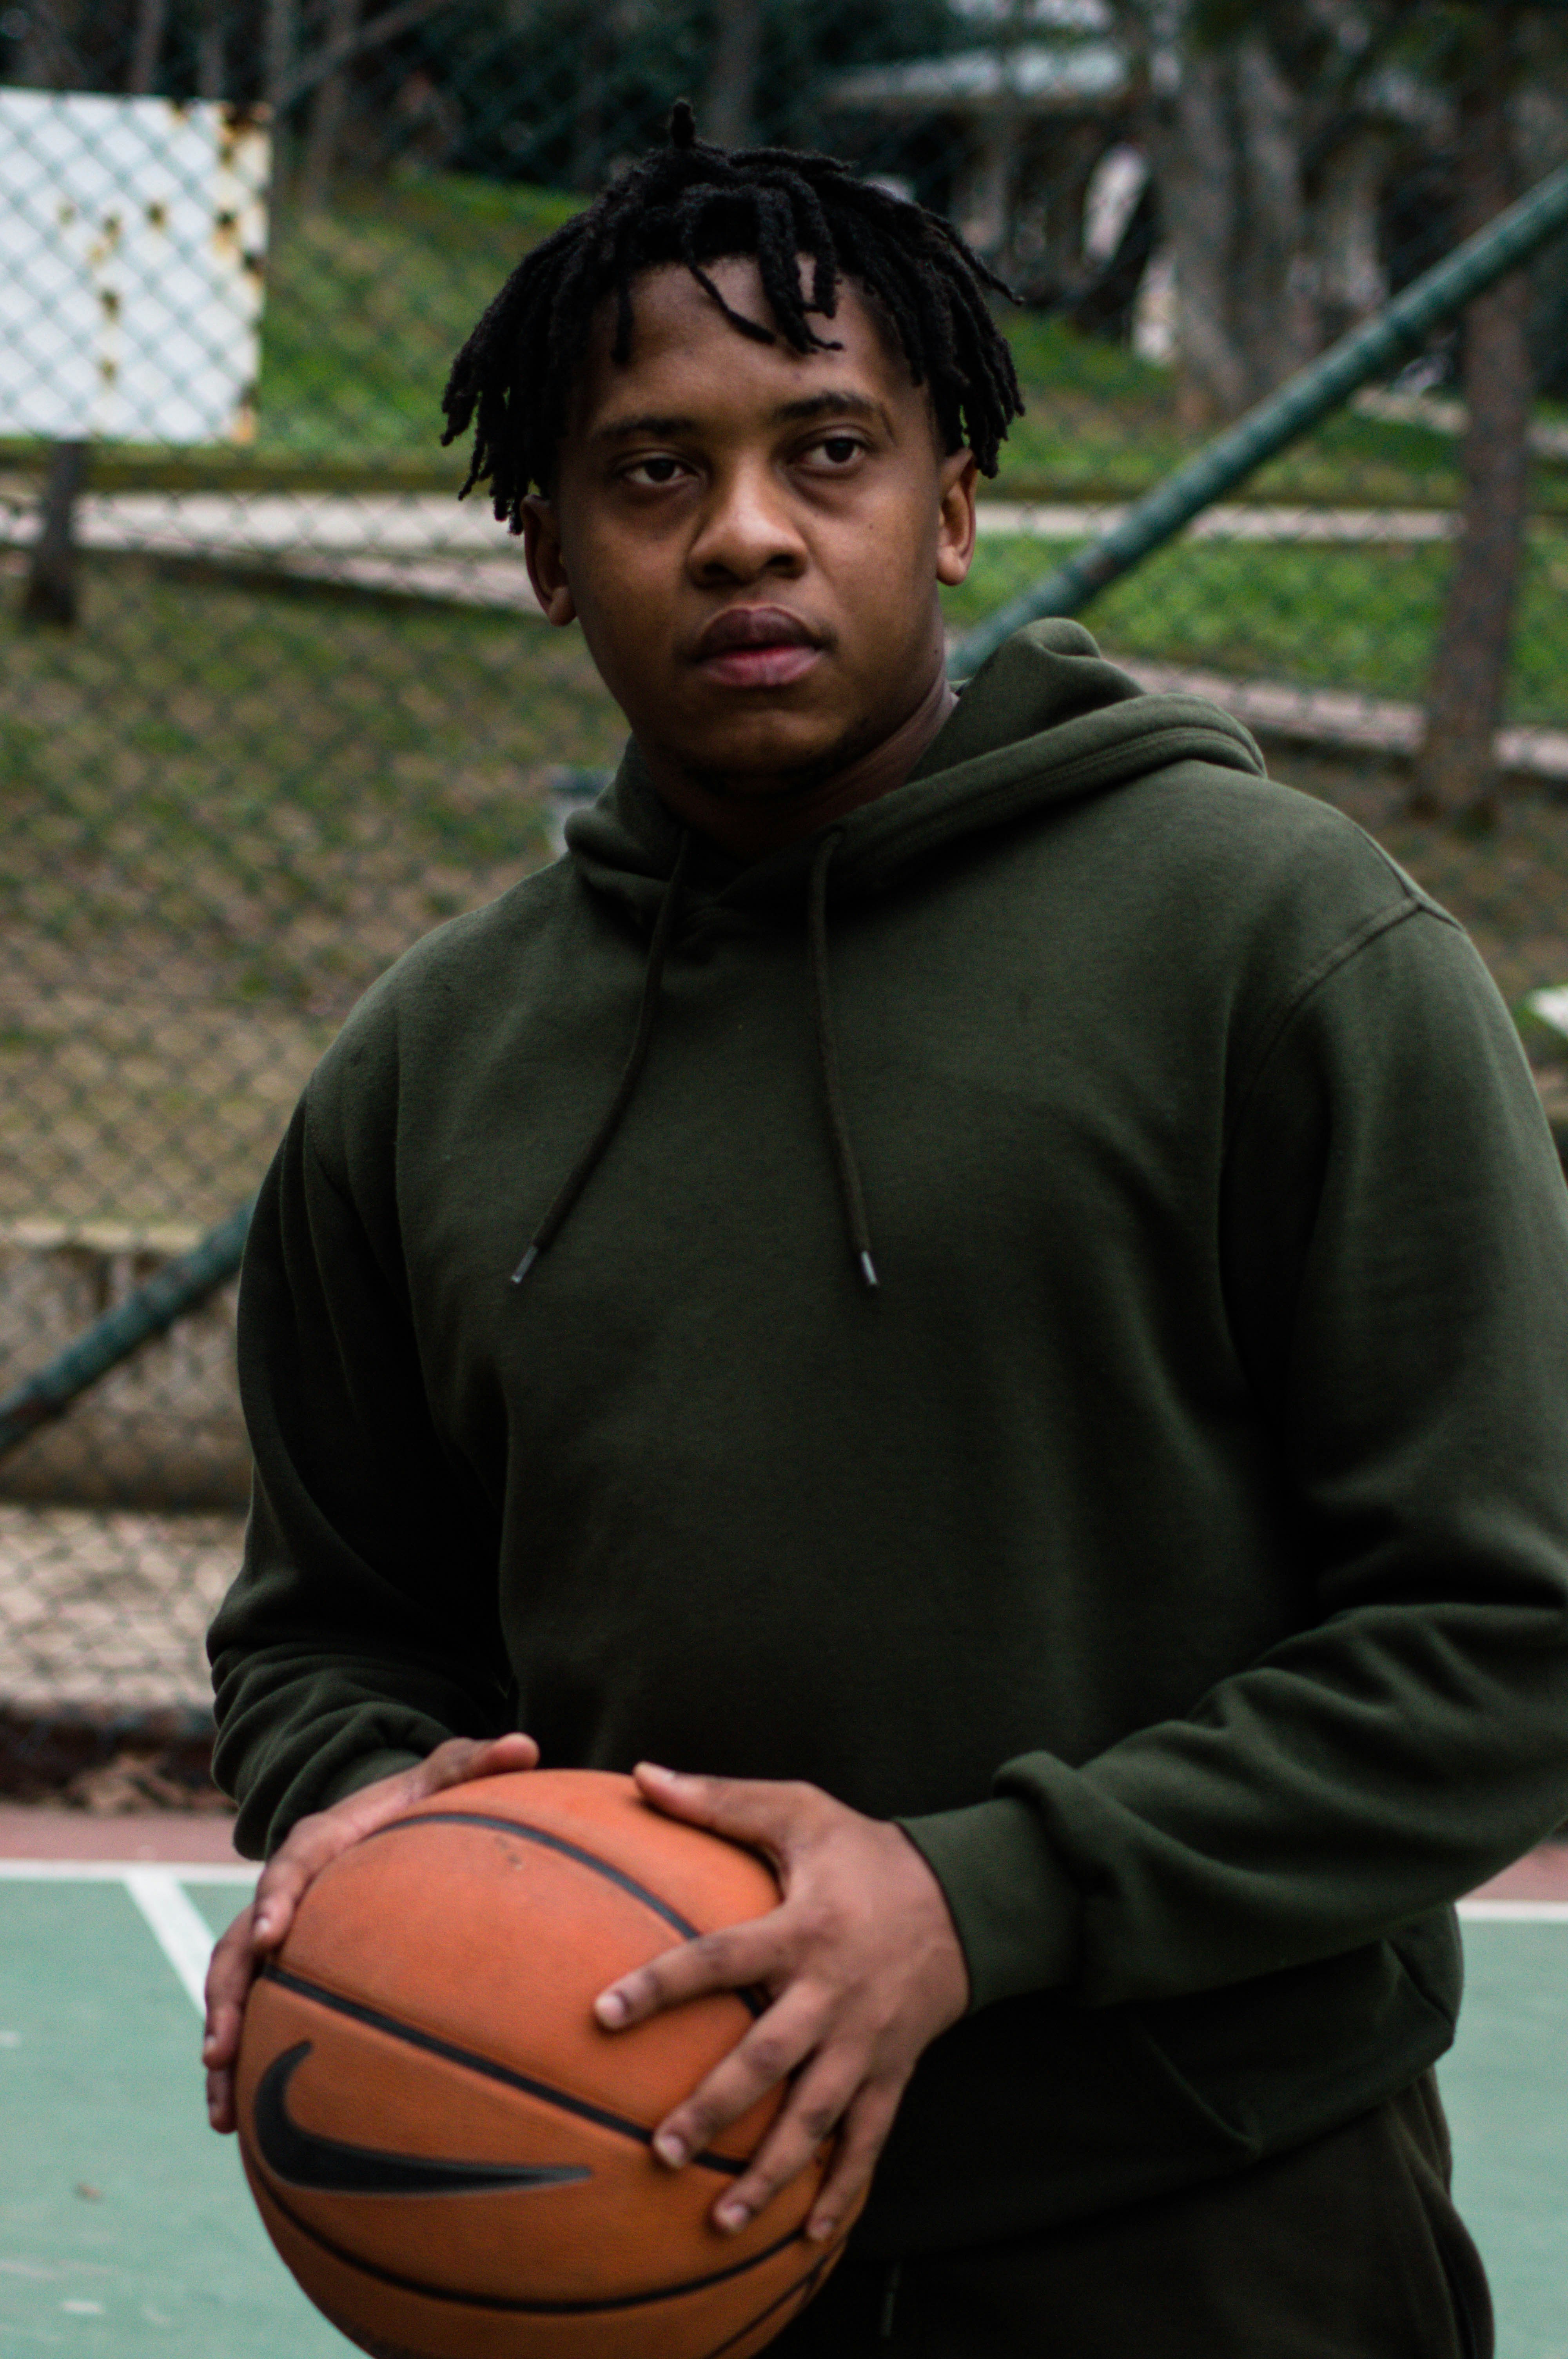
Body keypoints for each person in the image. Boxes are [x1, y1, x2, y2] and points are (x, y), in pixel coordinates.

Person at [202, 104, 1568, 2357]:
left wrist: (971, 1898)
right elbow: (328, 1627)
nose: (747, 535)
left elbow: (1507, 1636)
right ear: (544, 547)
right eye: (652, 474)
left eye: (827, 453)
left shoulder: (1280, 952)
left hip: (1207, 2226)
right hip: (622, 2243)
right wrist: (357, 1802)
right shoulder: (425, 1073)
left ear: (950, 504)